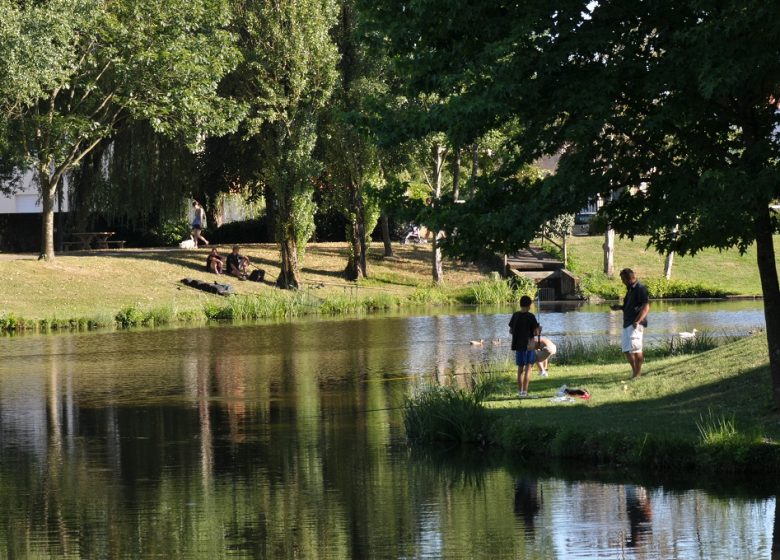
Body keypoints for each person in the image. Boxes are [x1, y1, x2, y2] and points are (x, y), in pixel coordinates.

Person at [611, 268, 650, 379]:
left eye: (623, 279)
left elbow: (646, 307)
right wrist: (620, 307)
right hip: (627, 324)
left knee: (637, 349)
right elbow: (631, 307)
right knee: (626, 349)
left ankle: (637, 374)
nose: (622, 281)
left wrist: (637, 321)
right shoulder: (630, 290)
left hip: (635, 324)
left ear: (630, 278)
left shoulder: (640, 289)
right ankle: (635, 372)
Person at [509, 295, 541, 397]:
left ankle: (519, 391)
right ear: (529, 305)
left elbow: (511, 331)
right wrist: (539, 328)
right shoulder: (531, 316)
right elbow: (536, 332)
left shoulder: (515, 315)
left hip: (518, 345)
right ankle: (525, 392)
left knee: (520, 368)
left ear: (520, 304)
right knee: (528, 368)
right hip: (528, 345)